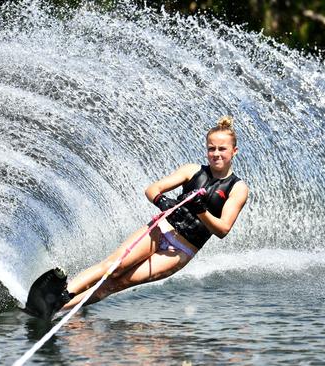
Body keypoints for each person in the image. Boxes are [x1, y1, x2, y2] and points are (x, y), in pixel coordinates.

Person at [61, 116, 249, 311]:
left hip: (181, 251)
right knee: (113, 267)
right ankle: (61, 296)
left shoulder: (238, 188)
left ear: (234, 151)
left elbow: (223, 229)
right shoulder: (192, 170)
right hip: (160, 229)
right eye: (211, 148)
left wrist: (200, 210)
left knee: (118, 283)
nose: (216, 154)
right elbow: (153, 189)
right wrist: (161, 201)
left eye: (222, 149)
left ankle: (61, 309)